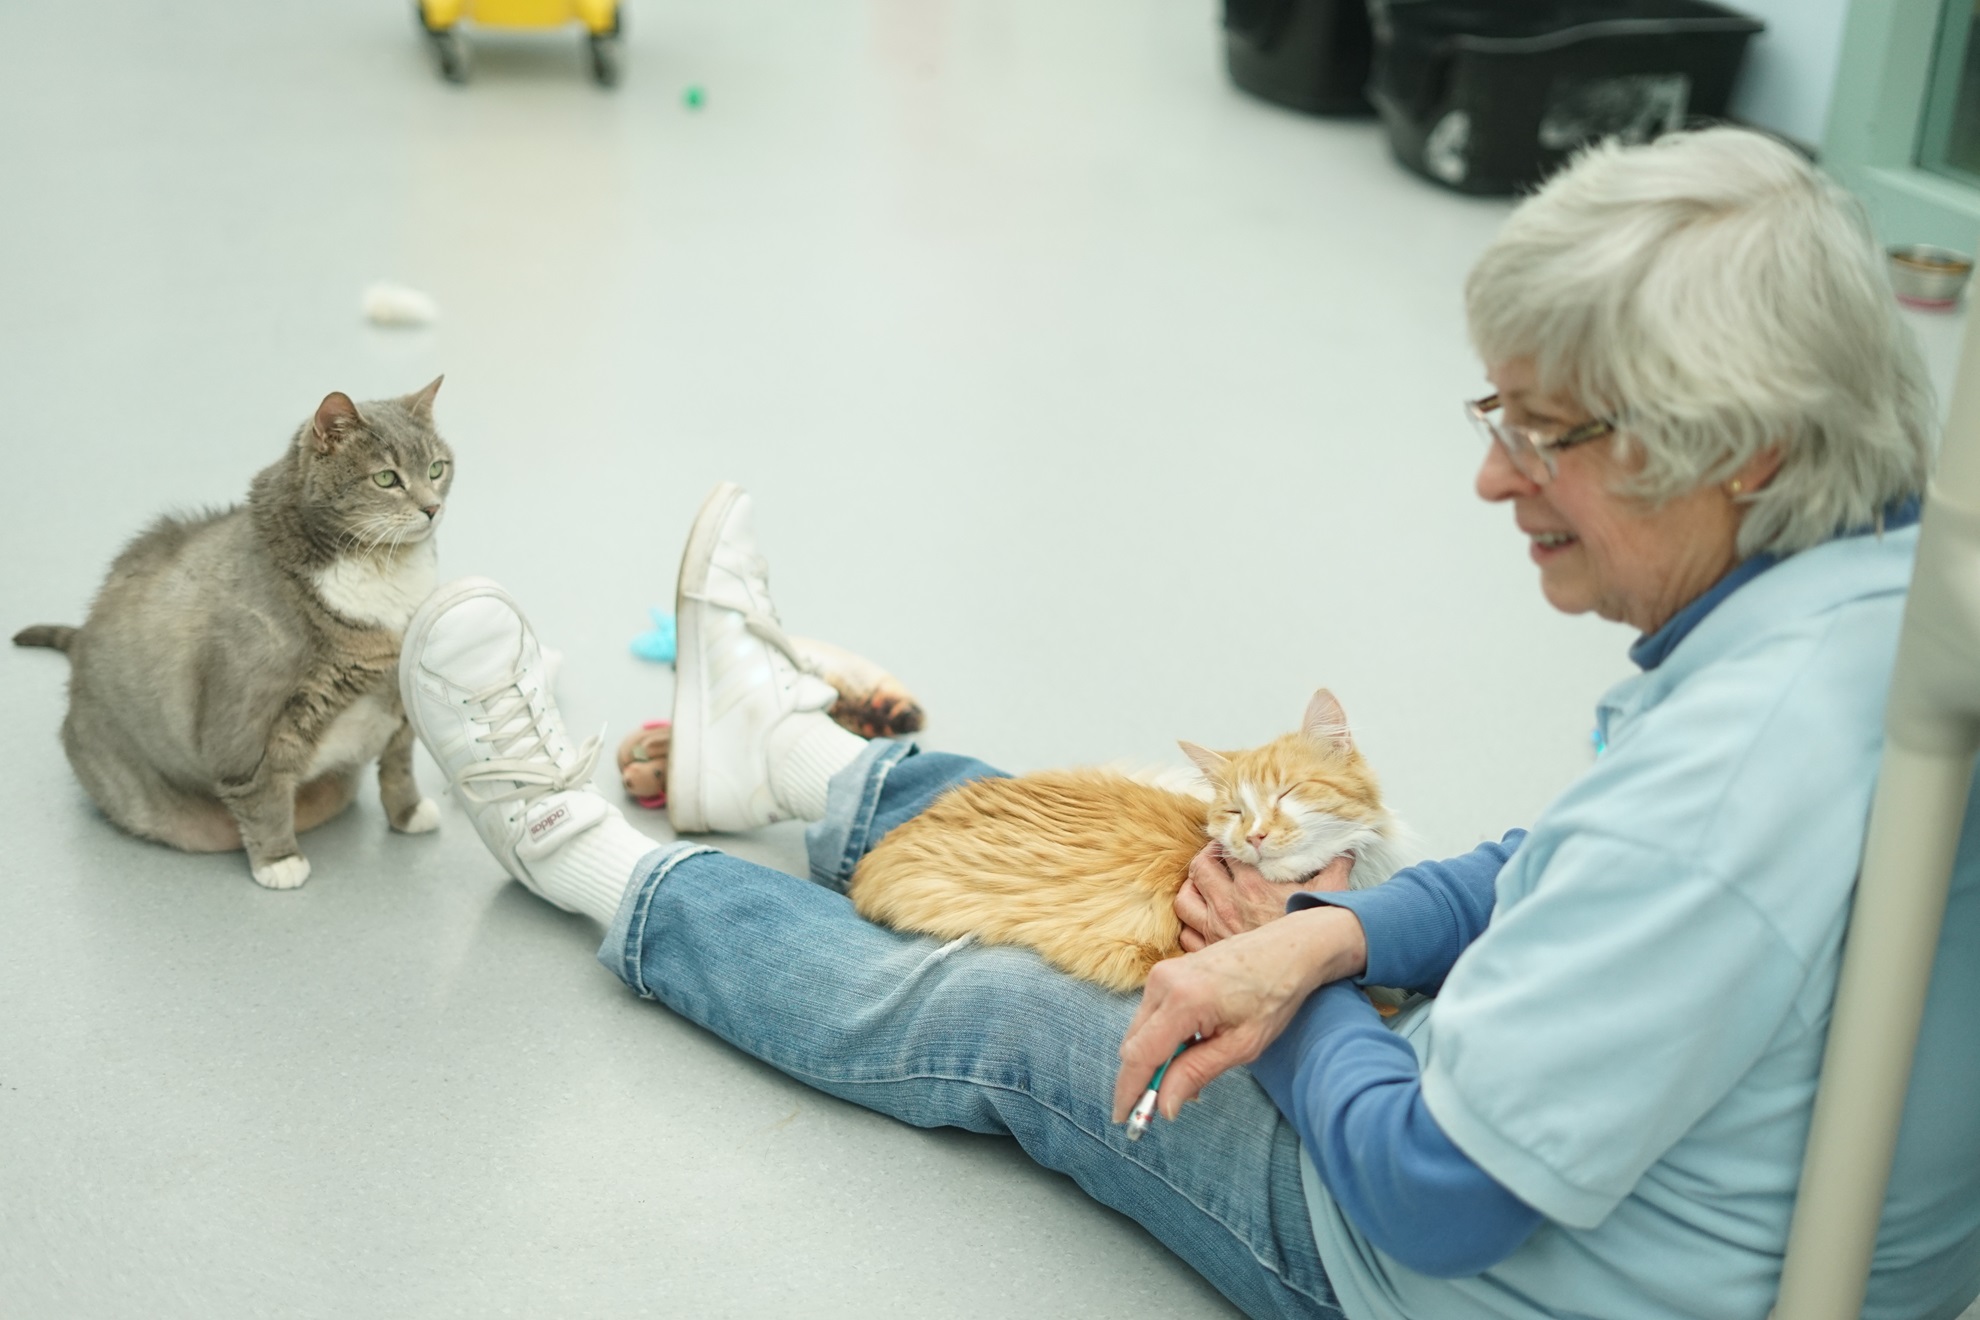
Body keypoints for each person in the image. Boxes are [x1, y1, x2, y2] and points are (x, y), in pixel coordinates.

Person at [393, 127, 1980, 1320]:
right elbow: (1560, 860)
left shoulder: (1714, 801)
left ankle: (590, 861)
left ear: (1750, 452)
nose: (1495, 478)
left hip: (1462, 1272)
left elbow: (1430, 1199)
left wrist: (1291, 1007)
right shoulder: (1877, 590)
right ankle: (798, 759)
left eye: (1548, 433)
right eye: (1500, 417)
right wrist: (1326, 941)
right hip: (1643, 1164)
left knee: (1015, 1016)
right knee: (1155, 845)